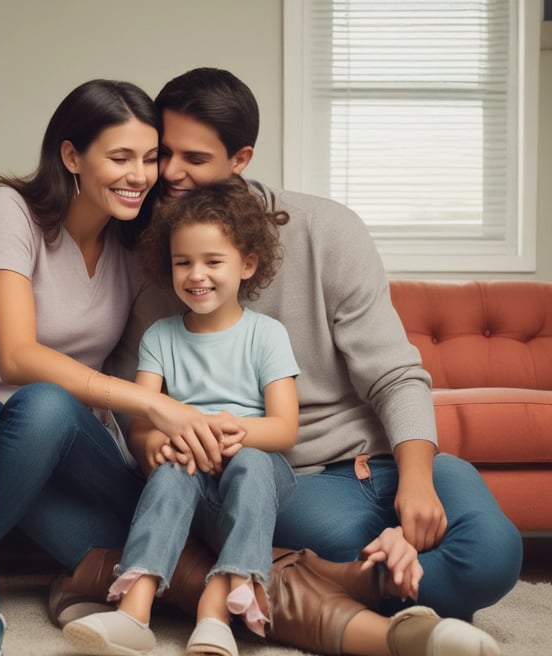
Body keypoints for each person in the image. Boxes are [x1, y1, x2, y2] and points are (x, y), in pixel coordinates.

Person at [50, 68, 519, 654]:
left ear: (240, 157)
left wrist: (417, 483)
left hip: (389, 461)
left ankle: (345, 587)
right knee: (345, 551)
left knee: (495, 556)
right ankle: (372, 589)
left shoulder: (328, 231)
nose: (167, 173)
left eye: (192, 157)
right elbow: (133, 401)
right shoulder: (158, 259)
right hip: (298, 483)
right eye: (161, 152)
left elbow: (396, 374)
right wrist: (156, 447)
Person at [0, 78, 244, 656]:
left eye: (149, 158)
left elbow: (216, 278)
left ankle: (317, 598)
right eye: (120, 157)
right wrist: (153, 404)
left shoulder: (138, 246)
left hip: (49, 464)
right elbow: (16, 356)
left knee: (160, 562)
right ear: (71, 155)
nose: (140, 174)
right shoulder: (12, 211)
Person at [63, 176, 300, 656]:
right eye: (183, 262)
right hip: (190, 468)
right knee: (174, 467)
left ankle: (221, 612)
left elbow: (284, 428)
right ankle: (135, 611)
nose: (197, 274)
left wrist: (231, 431)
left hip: (254, 467)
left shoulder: (267, 335)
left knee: (253, 462)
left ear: (247, 264)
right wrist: (159, 445)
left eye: (214, 261)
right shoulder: (160, 337)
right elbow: (142, 426)